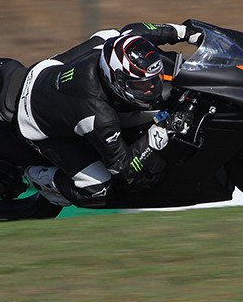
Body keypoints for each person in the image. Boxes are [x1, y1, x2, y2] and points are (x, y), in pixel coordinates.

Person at [16, 21, 201, 208]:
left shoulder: (119, 42)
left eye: (153, 80)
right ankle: (46, 178)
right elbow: (122, 168)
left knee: (107, 34)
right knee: (100, 191)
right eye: (140, 84)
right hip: (34, 121)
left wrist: (188, 33)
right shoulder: (100, 116)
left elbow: (143, 30)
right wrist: (160, 132)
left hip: (48, 70)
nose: (152, 87)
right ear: (117, 80)